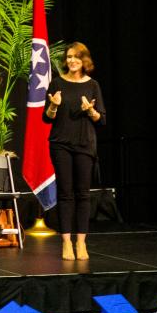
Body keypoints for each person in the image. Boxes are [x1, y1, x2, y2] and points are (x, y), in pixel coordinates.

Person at [42, 42, 105, 261]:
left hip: (85, 144)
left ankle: (81, 242)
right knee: (66, 193)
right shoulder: (57, 83)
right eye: (68, 57)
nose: (71, 60)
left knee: (83, 194)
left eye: (76, 57)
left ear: (84, 59)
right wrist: (54, 105)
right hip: (61, 144)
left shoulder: (93, 85)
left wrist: (91, 111)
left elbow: (101, 119)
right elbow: (46, 117)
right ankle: (67, 243)